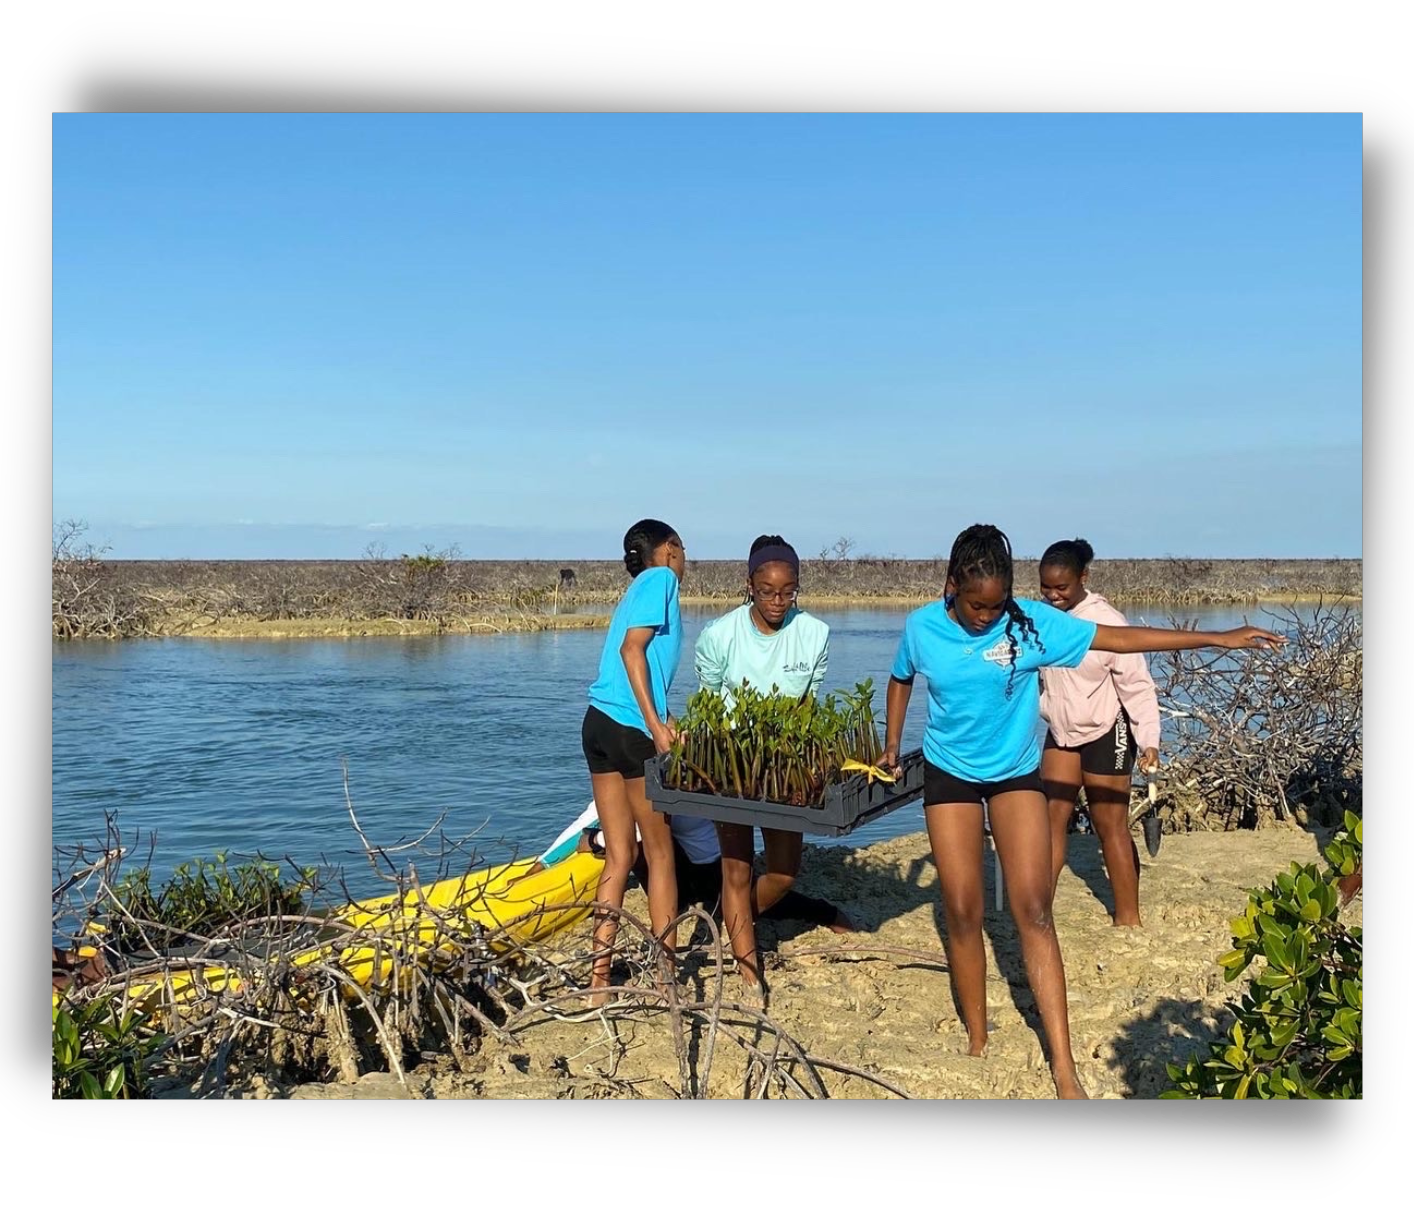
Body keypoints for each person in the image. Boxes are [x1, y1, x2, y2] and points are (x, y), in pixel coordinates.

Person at [879, 524, 1285, 1099]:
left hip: (1015, 775)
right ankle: (976, 1037)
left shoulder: (1030, 623)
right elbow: (900, 678)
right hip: (949, 775)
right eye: (976, 605)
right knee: (964, 909)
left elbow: (1119, 641)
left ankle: (1064, 1068)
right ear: (951, 586)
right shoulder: (921, 627)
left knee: (1034, 911)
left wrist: (1216, 639)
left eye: (996, 605)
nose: (986, 616)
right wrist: (892, 742)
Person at [691, 535, 831, 1006]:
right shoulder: (718, 636)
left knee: (785, 872)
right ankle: (750, 974)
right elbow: (707, 705)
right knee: (736, 869)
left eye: (788, 591)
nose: (777, 601)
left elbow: (809, 706)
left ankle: (734, 922)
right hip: (731, 765)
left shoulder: (815, 634)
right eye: (767, 590)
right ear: (748, 585)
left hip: (785, 767)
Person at [581, 519, 686, 1002]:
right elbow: (632, 651)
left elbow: (635, 663)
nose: (684, 561)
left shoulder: (635, 590)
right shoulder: (660, 580)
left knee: (621, 853)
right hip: (629, 730)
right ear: (669, 550)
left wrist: (663, 715)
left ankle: (598, 979)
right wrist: (657, 726)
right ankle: (668, 976)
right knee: (660, 852)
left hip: (598, 724)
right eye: (680, 551)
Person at [1037, 538, 1162, 927]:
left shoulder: (1106, 619)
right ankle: (1039, 913)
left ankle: (1128, 919)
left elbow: (1137, 685)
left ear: (1083, 578)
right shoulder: (1038, 620)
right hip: (1061, 732)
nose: (1054, 596)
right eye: (1046, 587)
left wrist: (1150, 740)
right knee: (1049, 822)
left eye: (1062, 588)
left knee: (1109, 825)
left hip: (1108, 730)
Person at [541, 802, 854, 935]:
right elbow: (592, 813)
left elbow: (614, 834)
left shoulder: (677, 782)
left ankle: (825, 913)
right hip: (679, 870)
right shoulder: (635, 774)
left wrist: (596, 839)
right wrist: (545, 861)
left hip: (712, 874)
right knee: (638, 836)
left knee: (749, 900)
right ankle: (827, 913)